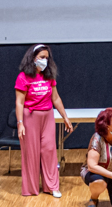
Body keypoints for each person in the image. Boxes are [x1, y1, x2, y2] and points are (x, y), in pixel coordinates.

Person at [14, 44, 74, 198]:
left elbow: (56, 98)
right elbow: (19, 102)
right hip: (30, 117)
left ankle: (52, 186)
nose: (44, 60)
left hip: (47, 115)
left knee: (49, 150)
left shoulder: (49, 76)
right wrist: (20, 123)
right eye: (41, 57)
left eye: (47, 58)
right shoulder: (23, 77)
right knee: (31, 153)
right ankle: (31, 188)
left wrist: (65, 117)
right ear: (32, 58)